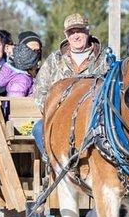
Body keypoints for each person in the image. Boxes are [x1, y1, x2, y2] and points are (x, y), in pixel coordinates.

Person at [31, 13, 107, 156]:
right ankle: (53, 168)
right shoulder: (54, 60)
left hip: (94, 120)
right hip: (59, 117)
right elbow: (40, 91)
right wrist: (56, 111)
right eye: (71, 32)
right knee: (38, 129)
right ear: (66, 35)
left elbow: (113, 90)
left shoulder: (104, 59)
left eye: (80, 31)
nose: (76, 36)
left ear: (88, 32)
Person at [0, 31, 42, 98]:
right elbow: (16, 104)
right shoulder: (21, 80)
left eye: (37, 50)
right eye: (30, 50)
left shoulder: (40, 73)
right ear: (21, 51)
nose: (35, 54)